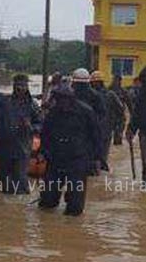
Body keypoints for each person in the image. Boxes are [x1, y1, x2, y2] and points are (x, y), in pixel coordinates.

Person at [39, 85, 102, 216]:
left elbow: (96, 136)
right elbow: (45, 135)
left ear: (71, 99)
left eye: (64, 99)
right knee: (47, 202)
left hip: (78, 159)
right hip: (55, 159)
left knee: (75, 207)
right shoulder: (53, 113)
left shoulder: (86, 112)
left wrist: (96, 158)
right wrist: (43, 151)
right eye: (58, 99)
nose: (61, 103)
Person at [0, 74, 42, 194]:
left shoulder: (32, 105)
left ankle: (20, 206)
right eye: (17, 85)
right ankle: (7, 208)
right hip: (3, 147)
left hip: (22, 148)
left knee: (21, 180)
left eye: (22, 85)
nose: (20, 88)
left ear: (27, 87)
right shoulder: (2, 101)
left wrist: (30, 127)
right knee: (5, 181)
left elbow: (40, 125)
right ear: (13, 86)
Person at [71, 68, 108, 173]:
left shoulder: (69, 94)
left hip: (81, 131)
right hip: (87, 131)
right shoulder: (96, 95)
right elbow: (102, 113)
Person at [90, 71, 125, 169]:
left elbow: (121, 111)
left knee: (101, 156)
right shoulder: (90, 95)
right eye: (93, 82)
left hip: (105, 129)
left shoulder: (110, 95)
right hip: (95, 129)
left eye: (96, 82)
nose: (95, 84)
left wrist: (119, 128)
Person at [108, 75, 132, 145]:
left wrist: (132, 114)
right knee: (107, 136)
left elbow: (129, 103)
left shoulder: (123, 91)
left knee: (118, 137)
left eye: (117, 80)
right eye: (114, 80)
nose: (115, 82)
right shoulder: (108, 90)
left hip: (120, 115)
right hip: (110, 115)